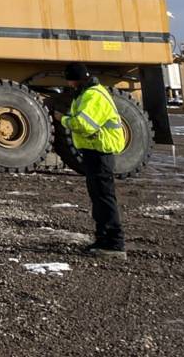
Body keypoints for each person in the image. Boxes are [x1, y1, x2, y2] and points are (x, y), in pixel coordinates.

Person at [60, 61, 127, 259]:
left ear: (78, 79)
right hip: (94, 151)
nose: (70, 85)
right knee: (99, 198)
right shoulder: (87, 93)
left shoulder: (93, 95)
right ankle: (103, 239)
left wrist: (62, 119)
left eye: (71, 80)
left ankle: (114, 243)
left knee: (104, 198)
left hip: (100, 152)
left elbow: (83, 124)